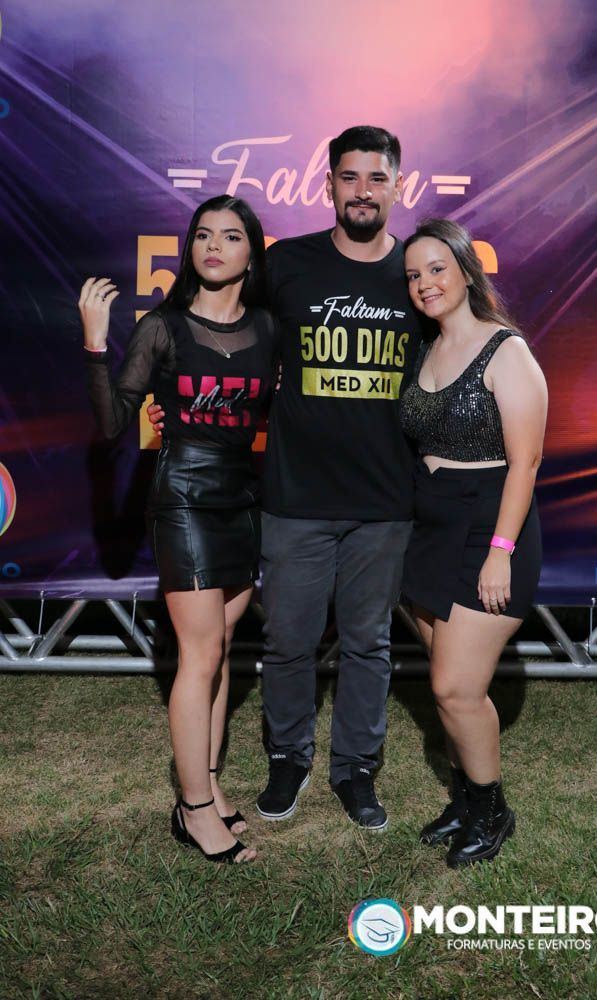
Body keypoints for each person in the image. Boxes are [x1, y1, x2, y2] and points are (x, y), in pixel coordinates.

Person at [79, 194, 279, 864]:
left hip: (242, 498)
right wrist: (94, 342)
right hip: (184, 497)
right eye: (203, 235)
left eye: (230, 236)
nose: (214, 246)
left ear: (252, 252)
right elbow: (113, 424)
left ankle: (210, 786)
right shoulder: (162, 327)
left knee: (221, 647)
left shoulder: (269, 329)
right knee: (198, 654)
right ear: (190, 248)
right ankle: (193, 811)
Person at [255, 125, 424, 830]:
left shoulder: (419, 272)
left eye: (376, 178)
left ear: (397, 186)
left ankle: (355, 769)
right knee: (287, 641)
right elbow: (229, 334)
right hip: (295, 496)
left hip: (384, 501)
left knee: (368, 644)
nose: (362, 191)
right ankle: (288, 757)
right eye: (349, 177)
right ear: (328, 184)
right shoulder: (286, 263)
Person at [399, 218, 547, 867]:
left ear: (464, 270)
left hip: (487, 525)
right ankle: (463, 800)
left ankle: (491, 812)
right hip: (429, 526)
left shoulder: (505, 350)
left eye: (436, 268)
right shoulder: (425, 349)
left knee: (456, 687)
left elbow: (526, 461)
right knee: (444, 683)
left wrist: (499, 550)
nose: (425, 283)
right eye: (413, 275)